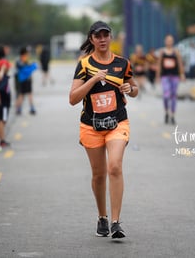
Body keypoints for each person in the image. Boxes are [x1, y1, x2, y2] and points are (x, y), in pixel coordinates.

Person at [69, 21, 138, 239]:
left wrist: (130, 88)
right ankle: (102, 217)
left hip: (117, 122)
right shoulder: (84, 64)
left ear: (110, 37)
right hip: (91, 125)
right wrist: (93, 80)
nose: (102, 39)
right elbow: (73, 99)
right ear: (91, 39)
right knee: (99, 175)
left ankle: (116, 222)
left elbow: (134, 89)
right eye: (97, 36)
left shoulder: (122, 63)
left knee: (115, 167)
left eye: (105, 35)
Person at [155, 34, 186, 125]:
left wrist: (182, 74)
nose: (169, 42)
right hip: (165, 76)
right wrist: (157, 76)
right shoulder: (162, 52)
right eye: (167, 40)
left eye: (171, 40)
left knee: (173, 96)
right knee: (166, 95)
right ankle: (166, 112)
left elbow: (180, 63)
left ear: (173, 42)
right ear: (165, 41)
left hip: (174, 76)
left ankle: (172, 115)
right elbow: (159, 64)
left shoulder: (176, 52)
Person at [15, 47, 37, 115]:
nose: (29, 54)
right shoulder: (23, 60)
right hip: (25, 80)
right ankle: (31, 108)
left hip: (22, 80)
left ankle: (19, 109)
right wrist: (32, 66)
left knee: (22, 94)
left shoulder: (19, 60)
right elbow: (30, 68)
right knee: (27, 94)